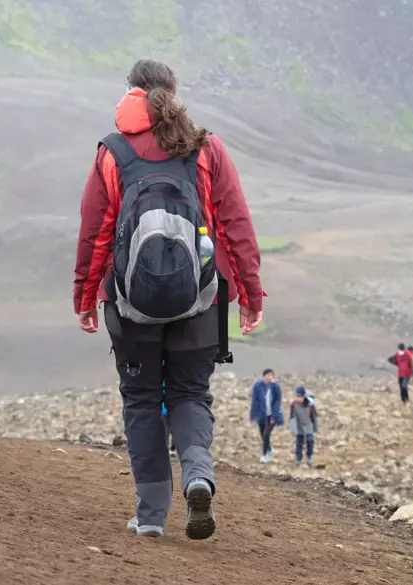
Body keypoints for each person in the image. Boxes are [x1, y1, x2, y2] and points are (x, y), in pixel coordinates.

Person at [73, 60, 264, 540]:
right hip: (202, 298)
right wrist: (250, 294)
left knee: (140, 400)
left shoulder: (112, 153)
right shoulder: (205, 147)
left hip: (131, 302)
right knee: (191, 394)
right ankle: (198, 476)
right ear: (173, 93)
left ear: (132, 95)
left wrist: (85, 295)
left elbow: (96, 233)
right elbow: (236, 224)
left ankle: (151, 516)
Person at [250, 368, 284, 463]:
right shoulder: (257, 386)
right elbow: (254, 401)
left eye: (271, 375)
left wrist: (274, 416)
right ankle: (269, 448)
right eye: (268, 375)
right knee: (263, 434)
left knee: (266, 434)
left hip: (272, 415)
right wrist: (252, 415)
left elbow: (278, 401)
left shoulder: (275, 386)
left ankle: (265, 455)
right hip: (261, 415)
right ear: (264, 376)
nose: (270, 377)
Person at [289, 386, 318, 468]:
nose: (299, 398)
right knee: (299, 443)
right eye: (297, 396)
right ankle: (298, 460)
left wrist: (315, 427)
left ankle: (309, 458)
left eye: (300, 396)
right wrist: (293, 429)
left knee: (310, 441)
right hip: (299, 426)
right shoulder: (294, 405)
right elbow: (292, 417)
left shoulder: (310, 404)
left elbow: (314, 416)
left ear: (304, 396)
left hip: (308, 425)